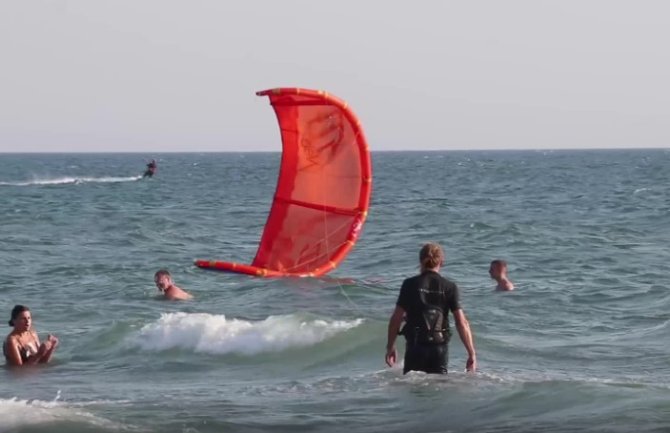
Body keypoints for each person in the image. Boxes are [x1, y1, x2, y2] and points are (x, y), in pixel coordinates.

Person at [385, 243, 476, 374]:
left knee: (413, 387)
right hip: (439, 349)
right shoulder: (450, 287)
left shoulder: (409, 284)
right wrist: (471, 353)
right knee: (438, 388)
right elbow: (462, 323)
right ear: (441, 262)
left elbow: (396, 319)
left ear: (420, 261)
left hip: (415, 347)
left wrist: (390, 346)